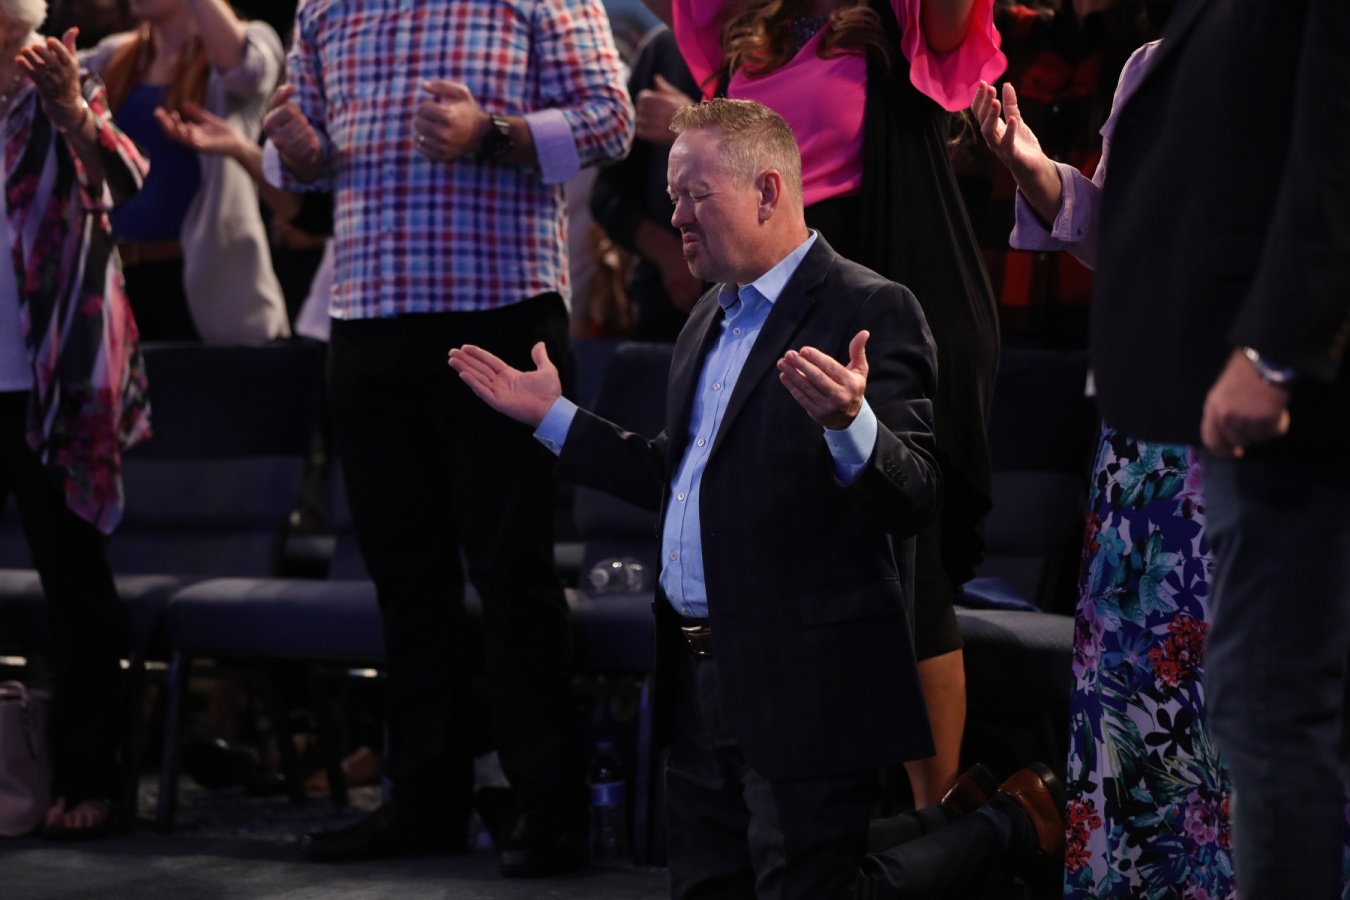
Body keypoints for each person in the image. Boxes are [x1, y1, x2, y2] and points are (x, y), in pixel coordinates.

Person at [451, 97, 1066, 899]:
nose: (676, 216)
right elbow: (679, 475)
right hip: (697, 677)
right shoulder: (706, 317)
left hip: (804, 679)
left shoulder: (869, 307)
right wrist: (555, 418)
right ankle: (983, 820)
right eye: (672, 196)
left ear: (768, 191)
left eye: (695, 194)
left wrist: (851, 423)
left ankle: (1004, 827)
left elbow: (917, 495)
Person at [263, 0, 633, 874]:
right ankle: (422, 798)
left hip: (498, 310)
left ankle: (547, 803)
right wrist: (297, 153)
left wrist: (492, 132)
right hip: (366, 316)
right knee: (405, 576)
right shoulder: (325, 6)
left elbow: (611, 120)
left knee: (511, 566)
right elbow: (302, 153)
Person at [641, 0, 1005, 804]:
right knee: (798, 538)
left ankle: (935, 824)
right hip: (777, 305)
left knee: (912, 567)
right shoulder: (743, 29)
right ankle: (815, 797)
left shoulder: (894, 22)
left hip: (887, 303)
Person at [1088, 2, 1350, 898]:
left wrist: (1276, 349)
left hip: (1299, 400)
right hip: (1252, 389)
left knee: (1272, 712)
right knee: (1265, 712)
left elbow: (1338, 138)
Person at [973, 42, 1244, 898]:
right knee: (1137, 708)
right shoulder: (1153, 64)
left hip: (1265, 429)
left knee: (1257, 706)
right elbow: (1114, 235)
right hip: (1146, 447)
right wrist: (1032, 167)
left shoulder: (1320, 56)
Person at [0, 4, 150, 838]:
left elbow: (124, 179)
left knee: (74, 580)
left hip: (52, 376)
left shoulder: (64, 78)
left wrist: (69, 111)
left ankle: (88, 774)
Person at [82, 0, 288, 344]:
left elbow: (247, 73)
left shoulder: (246, 42)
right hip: (119, 274)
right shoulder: (114, 55)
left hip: (205, 280)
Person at [589, 24, 703, 342]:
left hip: (765, 308)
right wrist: (670, 255)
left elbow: (788, 172)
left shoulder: (786, 50)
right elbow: (608, 192)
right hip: (667, 307)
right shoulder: (665, 48)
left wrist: (696, 131)